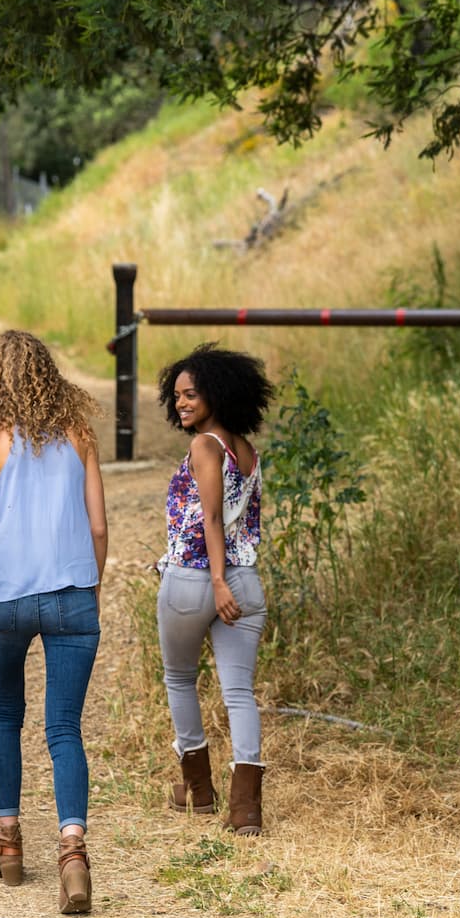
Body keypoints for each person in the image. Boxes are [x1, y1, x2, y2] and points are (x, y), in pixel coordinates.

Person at [0, 330, 107, 914]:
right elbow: (97, 527)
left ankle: (8, 845)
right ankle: (72, 852)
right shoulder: (79, 433)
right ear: (48, 373)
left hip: (6, 601)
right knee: (64, 728)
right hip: (71, 594)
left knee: (6, 714)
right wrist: (90, 584)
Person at [156, 343, 274, 836]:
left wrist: (218, 581)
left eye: (192, 395)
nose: (182, 403)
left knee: (180, 679)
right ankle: (245, 807)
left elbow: (209, 520)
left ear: (217, 395)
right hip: (247, 581)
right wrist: (231, 581)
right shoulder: (245, 451)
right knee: (239, 693)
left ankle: (199, 790)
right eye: (178, 395)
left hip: (196, 579)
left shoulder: (205, 446)